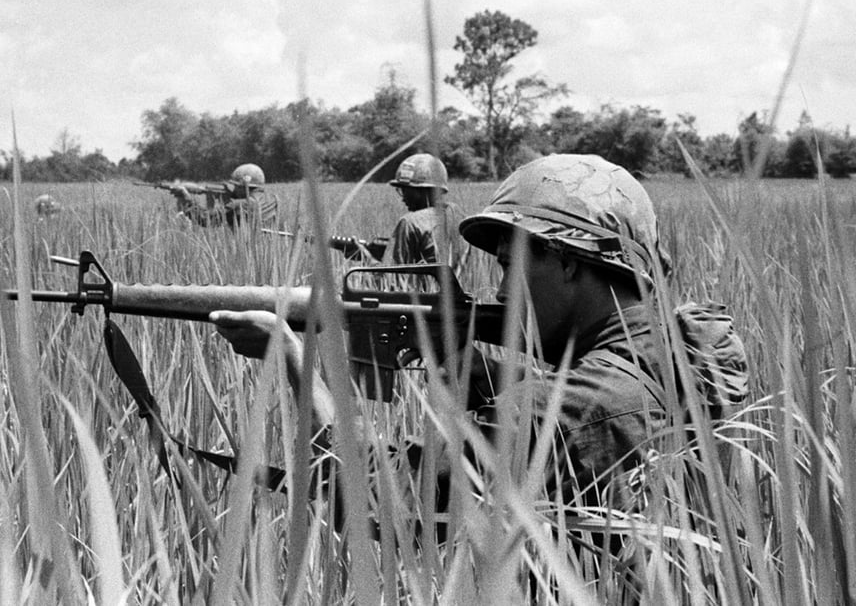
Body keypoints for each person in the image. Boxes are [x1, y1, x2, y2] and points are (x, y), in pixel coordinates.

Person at [208, 153, 747, 593]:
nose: (502, 292)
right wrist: (456, 356)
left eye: (511, 266)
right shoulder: (676, 356)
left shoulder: (584, 405)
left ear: (567, 263)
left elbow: (378, 500)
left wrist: (292, 359)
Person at [387, 153, 466, 271]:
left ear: (423, 190)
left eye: (405, 191)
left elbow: (391, 277)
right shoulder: (460, 216)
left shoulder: (410, 223)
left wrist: (367, 257)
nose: (403, 198)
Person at [171, 163, 278, 229]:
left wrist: (187, 200)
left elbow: (206, 220)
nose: (234, 189)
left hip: (243, 252)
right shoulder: (272, 199)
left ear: (243, 187)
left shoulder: (237, 205)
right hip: (266, 250)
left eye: (236, 186)